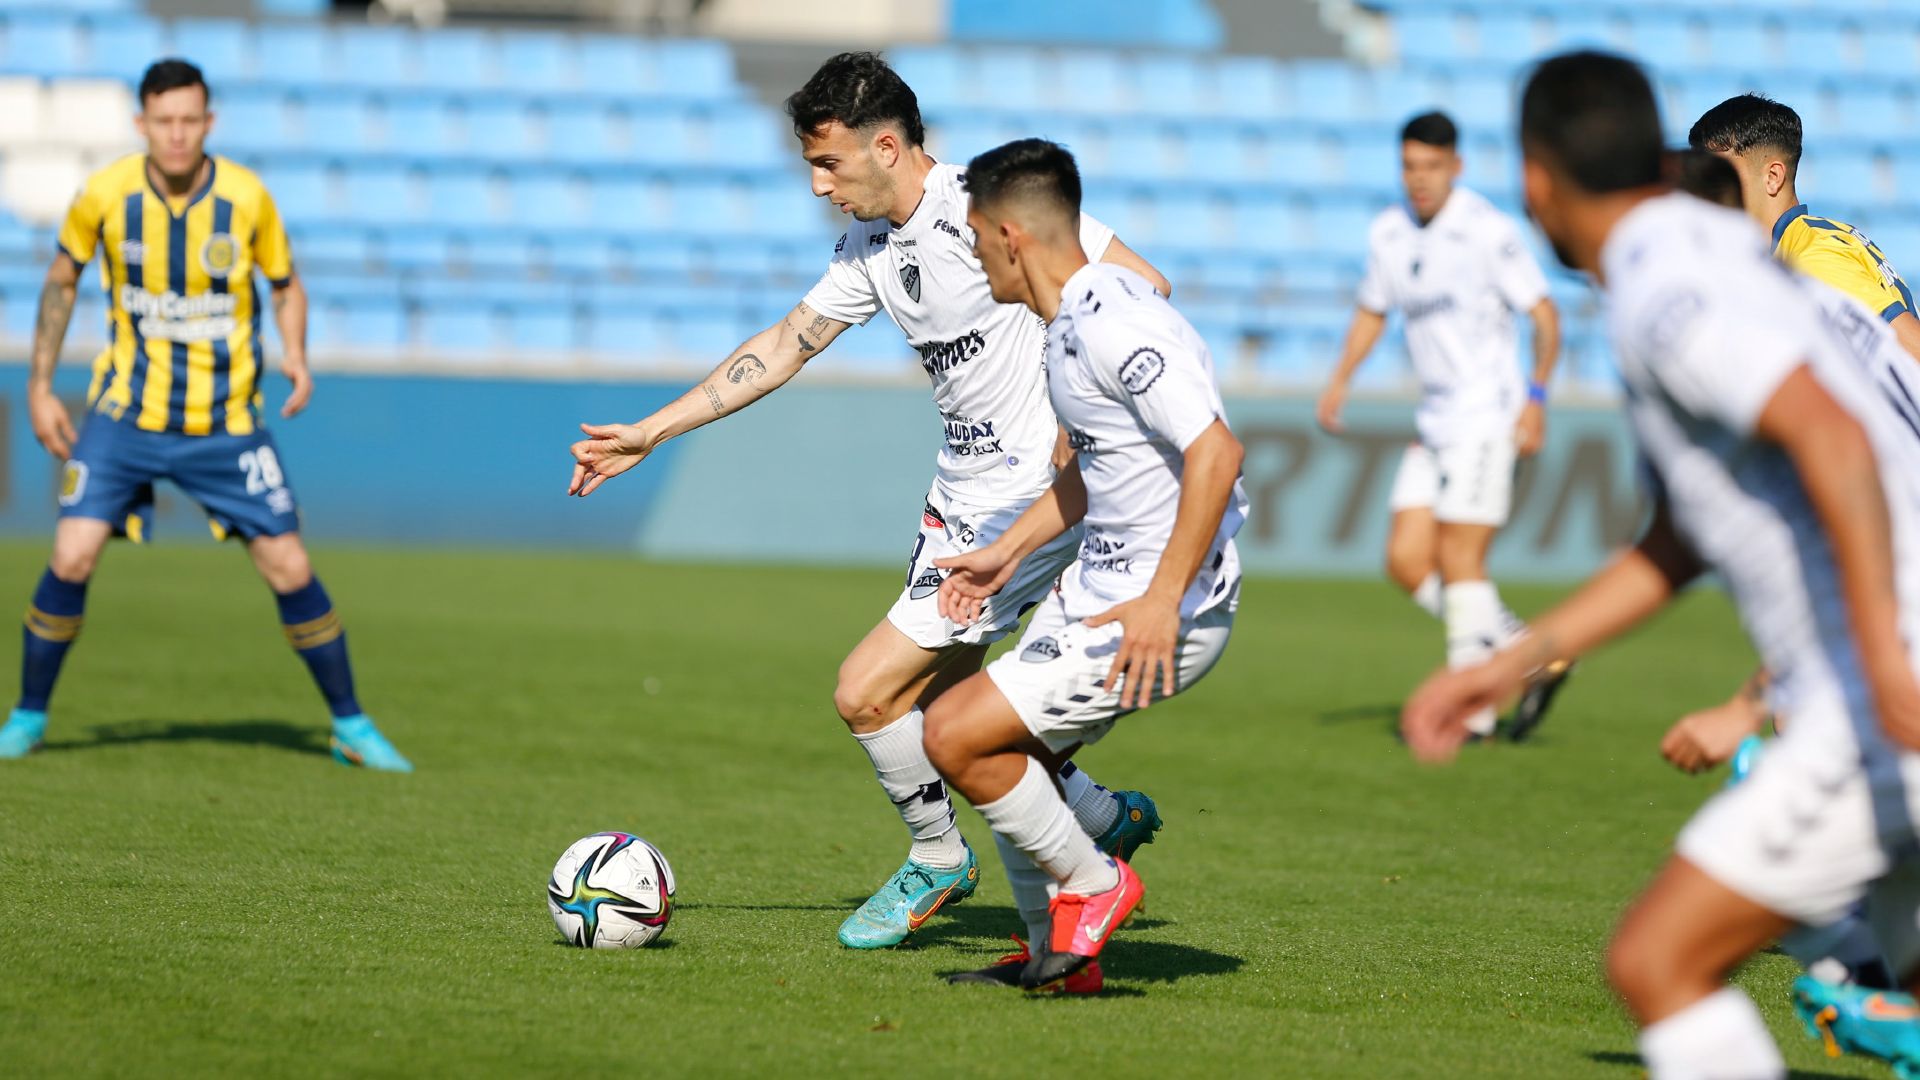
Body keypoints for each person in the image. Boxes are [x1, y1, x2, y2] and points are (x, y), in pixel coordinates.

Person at [566, 52, 1169, 954]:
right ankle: (1093, 815)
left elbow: (1142, 287)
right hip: (956, 499)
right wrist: (653, 430)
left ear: (887, 146)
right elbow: (786, 344)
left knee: (867, 692)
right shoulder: (871, 246)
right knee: (961, 708)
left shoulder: (990, 206)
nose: (818, 187)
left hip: (1025, 504)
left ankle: (938, 856)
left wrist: (1080, 412)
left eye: (829, 163)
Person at [1403, 51, 1920, 1078]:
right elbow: (1678, 541)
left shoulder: (1664, 284)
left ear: (1536, 177)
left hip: (1881, 687)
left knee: (1659, 962)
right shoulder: (1729, 252)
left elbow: (1833, 438)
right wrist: (1513, 662)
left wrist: (1882, 661)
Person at [0, 59, 408, 771]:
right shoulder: (105, 195)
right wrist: (39, 386)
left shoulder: (247, 199)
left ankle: (352, 724)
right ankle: (28, 716)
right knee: (72, 553)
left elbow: (286, 286)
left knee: (288, 564)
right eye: (165, 121)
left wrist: (298, 353)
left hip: (225, 424)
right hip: (125, 416)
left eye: (191, 120)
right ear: (142, 124)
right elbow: (61, 279)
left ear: (209, 122)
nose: (179, 134)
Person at [923, 138, 1246, 991]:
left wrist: (1161, 601)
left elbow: (1216, 453)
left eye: (973, 238)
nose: (972, 256)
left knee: (953, 732)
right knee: (1012, 754)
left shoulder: (1117, 322)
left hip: (1153, 610)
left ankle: (1097, 883)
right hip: (1098, 591)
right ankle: (1055, 959)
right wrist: (1005, 552)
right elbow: (1092, 472)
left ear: (1009, 235)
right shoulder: (1066, 327)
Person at [1667, 96, 1920, 771]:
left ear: (1772, 175)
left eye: (1719, 178)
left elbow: (1906, 353)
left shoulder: (1816, 262)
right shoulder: (1793, 257)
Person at [1316, 110, 1569, 741]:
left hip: (1488, 414)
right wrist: (1341, 377)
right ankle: (1529, 653)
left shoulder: (1486, 231)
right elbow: (1373, 311)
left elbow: (1544, 315)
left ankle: (1471, 709)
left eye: (1431, 166)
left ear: (1456, 166)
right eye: (1409, 166)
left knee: (1459, 556)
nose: (1419, 180)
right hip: (1435, 419)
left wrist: (1536, 398)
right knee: (1405, 560)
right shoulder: (1389, 233)